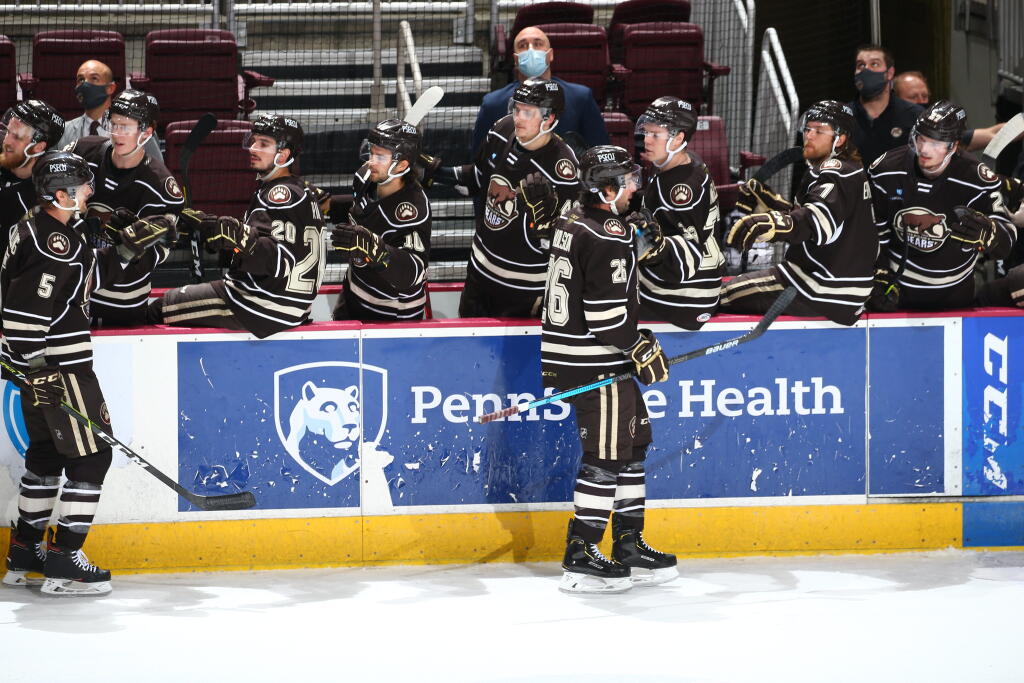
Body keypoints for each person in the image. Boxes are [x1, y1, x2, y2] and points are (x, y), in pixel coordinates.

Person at [2, 150, 175, 595]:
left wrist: (131, 248)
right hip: (60, 366)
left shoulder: (46, 230)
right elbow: (24, 315)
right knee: (93, 457)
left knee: (46, 457)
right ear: (59, 194)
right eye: (82, 187)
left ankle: (24, 553)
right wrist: (36, 367)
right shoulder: (52, 244)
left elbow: (88, 280)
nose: (90, 192)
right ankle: (63, 564)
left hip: (44, 368)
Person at [542, 144, 676, 594]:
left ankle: (628, 542)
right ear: (606, 188)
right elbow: (605, 321)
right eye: (628, 179)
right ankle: (580, 554)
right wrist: (642, 348)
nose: (636, 185)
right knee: (605, 456)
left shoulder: (572, 219)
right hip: (596, 364)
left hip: (580, 357)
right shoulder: (608, 233)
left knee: (634, 444)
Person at [148, 114, 326, 338]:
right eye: (253, 141)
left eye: (263, 144)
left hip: (258, 305)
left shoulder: (278, 194)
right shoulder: (300, 190)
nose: (252, 148)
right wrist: (216, 231)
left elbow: (277, 259)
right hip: (287, 306)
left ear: (284, 154)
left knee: (157, 309)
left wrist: (238, 237)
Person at [424, 78, 581, 318]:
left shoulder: (564, 170)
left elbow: (567, 245)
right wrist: (435, 171)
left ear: (549, 118)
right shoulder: (502, 128)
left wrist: (546, 225)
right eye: (516, 109)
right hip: (480, 273)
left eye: (527, 113)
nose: (518, 118)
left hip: (526, 288)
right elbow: (477, 178)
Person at [721, 100, 877, 325]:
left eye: (819, 130)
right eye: (808, 129)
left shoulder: (835, 172)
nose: (809, 135)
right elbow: (824, 219)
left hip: (817, 286)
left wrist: (770, 224)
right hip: (841, 287)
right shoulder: (847, 169)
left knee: (719, 295)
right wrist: (774, 204)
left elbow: (815, 223)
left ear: (840, 139)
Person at [868, 100, 1017, 311]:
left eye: (936, 143)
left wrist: (991, 233)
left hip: (954, 297)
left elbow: (1007, 243)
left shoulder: (977, 179)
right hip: (896, 295)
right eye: (921, 139)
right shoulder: (886, 169)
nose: (925, 149)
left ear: (954, 145)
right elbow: (872, 233)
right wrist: (878, 272)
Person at [65, 89, 183, 326]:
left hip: (120, 300)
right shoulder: (82, 151)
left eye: (125, 127)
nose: (116, 133)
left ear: (147, 132)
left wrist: (134, 244)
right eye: (113, 124)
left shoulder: (160, 185)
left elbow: (159, 250)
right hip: (73, 291)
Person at [634, 96, 724, 327]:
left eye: (656, 135)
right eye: (647, 132)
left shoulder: (680, 189)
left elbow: (691, 254)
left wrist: (655, 249)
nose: (647, 140)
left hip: (683, 297)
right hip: (694, 287)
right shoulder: (683, 162)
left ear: (678, 139)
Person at [331, 119, 431, 321]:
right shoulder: (365, 176)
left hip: (392, 314)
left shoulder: (412, 210)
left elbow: (412, 272)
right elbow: (364, 208)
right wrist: (327, 204)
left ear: (402, 164)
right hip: (353, 295)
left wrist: (374, 248)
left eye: (380, 156)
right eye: (372, 152)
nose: (371, 161)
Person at [472, 26, 608, 154]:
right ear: (515, 59)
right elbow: (479, 159)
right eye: (522, 46)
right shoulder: (493, 103)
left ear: (550, 55)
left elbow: (600, 149)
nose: (531, 50)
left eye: (538, 44)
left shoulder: (581, 97)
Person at [57, 59, 163, 161]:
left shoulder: (137, 128)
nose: (85, 84)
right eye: (81, 79)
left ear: (110, 88)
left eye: (94, 78)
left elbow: (156, 168)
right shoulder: (62, 131)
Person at [893, 71, 1008, 152]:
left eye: (924, 96)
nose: (921, 101)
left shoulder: (940, 130)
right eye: (913, 97)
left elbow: (991, 133)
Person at [848, 44, 923, 166]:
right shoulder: (843, 117)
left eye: (874, 64)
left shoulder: (915, 116)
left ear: (889, 73)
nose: (866, 70)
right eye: (861, 65)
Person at [0, 100, 64, 242]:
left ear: (39, 147)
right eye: (8, 131)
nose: (6, 141)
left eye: (17, 136)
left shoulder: (47, 198)